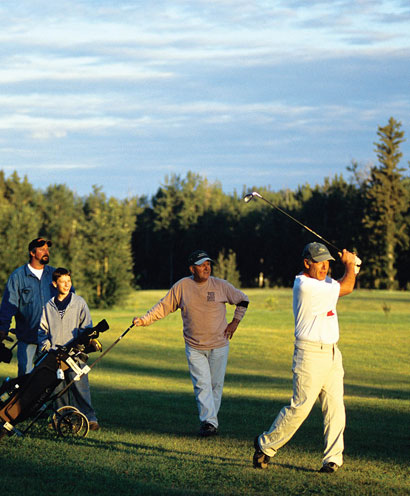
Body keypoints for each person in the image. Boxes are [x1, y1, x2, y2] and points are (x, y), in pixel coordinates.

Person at [253, 242, 358, 473]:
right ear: (306, 262)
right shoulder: (305, 286)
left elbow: (342, 282)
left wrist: (353, 265)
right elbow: (347, 286)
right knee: (300, 408)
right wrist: (350, 265)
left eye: (327, 262)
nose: (324, 267)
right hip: (309, 354)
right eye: (319, 262)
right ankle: (265, 445)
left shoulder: (325, 282)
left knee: (335, 408)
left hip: (332, 352)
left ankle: (332, 459)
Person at [133, 249, 249, 437]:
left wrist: (235, 322)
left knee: (215, 385)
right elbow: (163, 307)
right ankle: (209, 423)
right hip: (194, 347)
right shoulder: (182, 286)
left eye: (208, 264)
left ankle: (211, 421)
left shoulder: (221, 285)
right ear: (191, 268)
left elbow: (243, 300)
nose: (206, 267)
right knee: (202, 384)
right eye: (202, 264)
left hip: (219, 345)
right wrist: (144, 320)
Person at [38, 267, 100, 431]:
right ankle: (60, 418)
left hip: (75, 355)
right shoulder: (48, 306)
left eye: (69, 281)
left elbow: (87, 327)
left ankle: (90, 418)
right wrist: (47, 347)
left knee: (80, 388)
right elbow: (42, 331)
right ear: (54, 283)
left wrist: (85, 342)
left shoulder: (79, 302)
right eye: (62, 282)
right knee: (58, 390)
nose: (66, 285)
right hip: (56, 356)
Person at [0, 237, 57, 376]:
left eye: (47, 249)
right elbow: (8, 306)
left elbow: (69, 300)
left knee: (50, 379)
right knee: (25, 380)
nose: (46, 252)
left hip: (52, 339)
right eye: (42, 249)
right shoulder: (18, 276)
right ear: (32, 252)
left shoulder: (55, 275)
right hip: (27, 337)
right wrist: (2, 330)